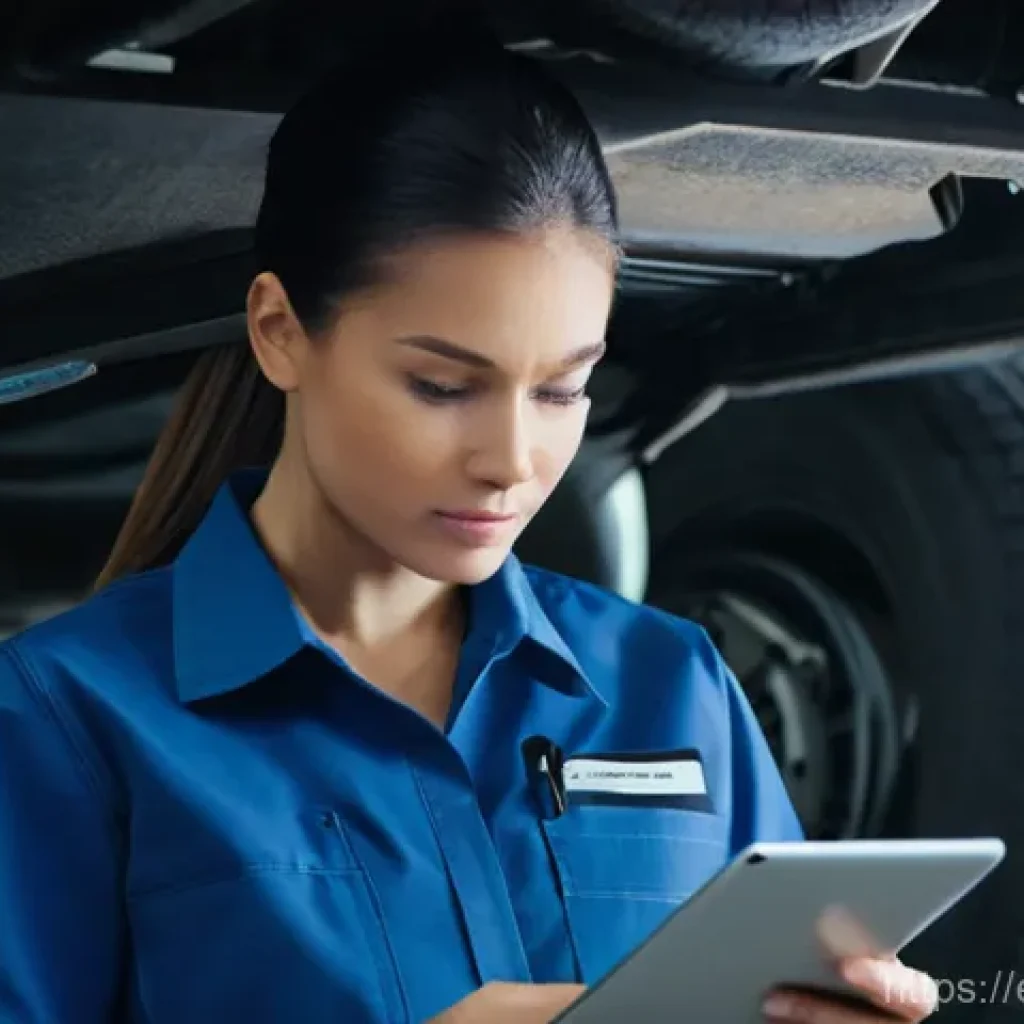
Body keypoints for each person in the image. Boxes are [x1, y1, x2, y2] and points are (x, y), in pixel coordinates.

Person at [0, 15, 939, 1024]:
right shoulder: (65, 716)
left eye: (562, 390)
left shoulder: (675, 686)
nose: (512, 461)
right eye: (443, 386)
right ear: (279, 333)